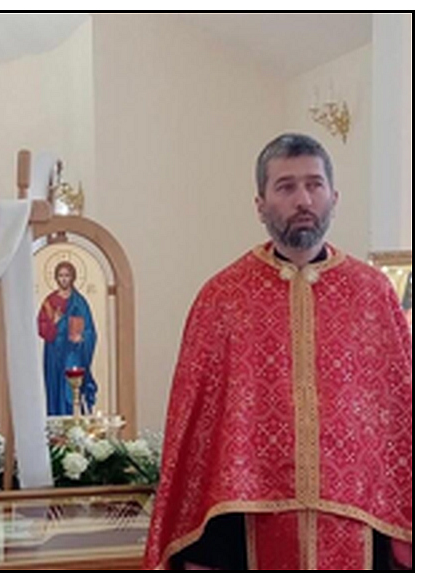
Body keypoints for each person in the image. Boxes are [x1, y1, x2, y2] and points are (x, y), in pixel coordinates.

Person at [144, 134, 412, 571]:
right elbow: (195, 425)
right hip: (244, 515)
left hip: (360, 512)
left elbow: (400, 409)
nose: (303, 198)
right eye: (285, 187)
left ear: (333, 196)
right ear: (261, 204)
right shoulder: (224, 296)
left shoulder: (372, 293)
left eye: (314, 184)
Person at [37, 261, 98, 415]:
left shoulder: (79, 302)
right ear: (56, 278)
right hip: (54, 353)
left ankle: (75, 422)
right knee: (55, 389)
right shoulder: (49, 302)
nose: (64, 279)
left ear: (73, 278)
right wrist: (55, 323)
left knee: (70, 390)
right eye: (61, 276)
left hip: (73, 352)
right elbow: (41, 328)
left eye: (67, 275)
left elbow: (90, 330)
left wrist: (82, 337)